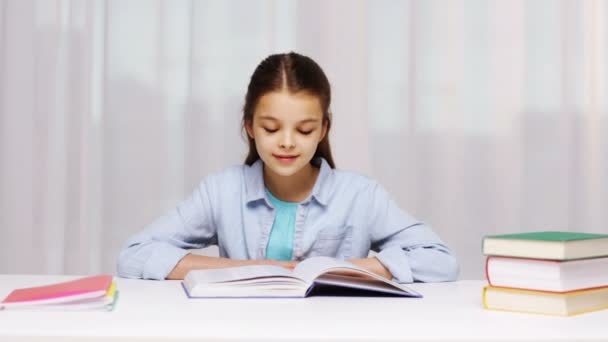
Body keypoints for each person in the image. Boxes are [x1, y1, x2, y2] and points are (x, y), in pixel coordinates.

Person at [117, 52, 459, 283]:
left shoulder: (359, 195)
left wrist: (332, 270)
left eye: (304, 129)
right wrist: (255, 270)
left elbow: (440, 261)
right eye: (270, 128)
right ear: (250, 126)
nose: (287, 142)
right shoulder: (222, 191)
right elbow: (134, 256)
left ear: (323, 129)